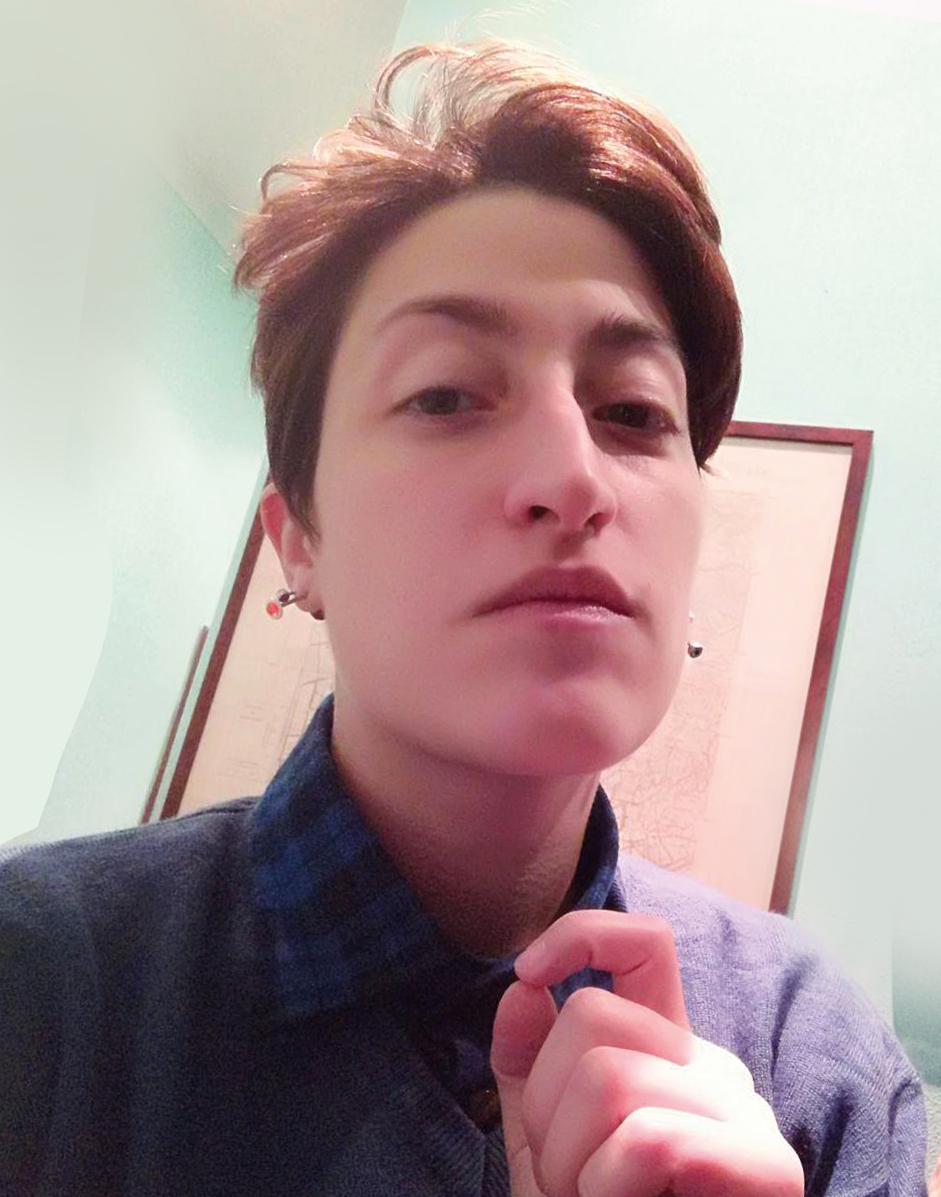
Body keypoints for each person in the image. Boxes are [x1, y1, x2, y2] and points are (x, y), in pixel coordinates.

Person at [0, 39, 927, 1197]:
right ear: (299, 542)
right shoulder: (42, 983)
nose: (571, 477)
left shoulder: (818, 1055)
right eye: (442, 394)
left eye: (633, 412)